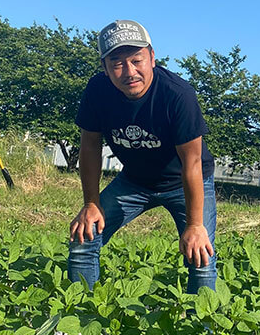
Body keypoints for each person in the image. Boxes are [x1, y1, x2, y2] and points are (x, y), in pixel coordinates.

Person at [68, 19, 217, 294]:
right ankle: (77, 315)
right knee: (84, 237)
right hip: (135, 181)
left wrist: (195, 225)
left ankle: (201, 325)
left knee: (201, 256)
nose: (129, 72)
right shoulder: (97, 91)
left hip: (184, 181)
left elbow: (192, 163)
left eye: (137, 60)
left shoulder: (177, 95)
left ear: (152, 57)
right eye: (117, 64)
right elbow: (89, 146)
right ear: (104, 68)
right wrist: (91, 202)